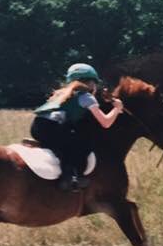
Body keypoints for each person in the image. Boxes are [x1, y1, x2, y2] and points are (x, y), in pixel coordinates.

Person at [30, 63, 124, 191]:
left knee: (68, 141)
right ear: (92, 83)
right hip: (53, 128)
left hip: (37, 127)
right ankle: (70, 178)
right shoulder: (87, 97)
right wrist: (117, 108)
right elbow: (105, 122)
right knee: (80, 146)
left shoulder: (61, 93)